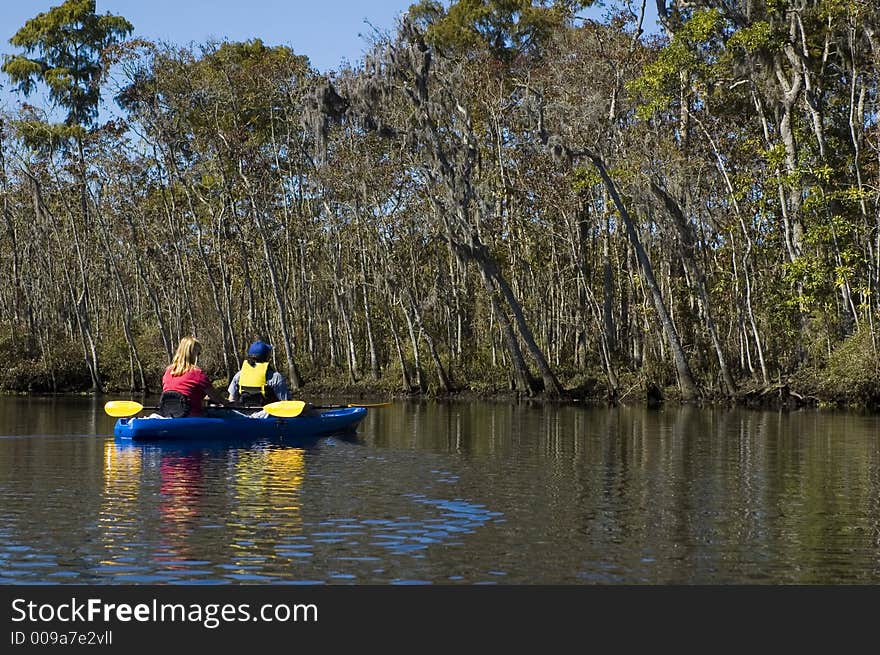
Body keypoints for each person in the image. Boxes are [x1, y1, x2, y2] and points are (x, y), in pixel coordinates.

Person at [159, 336, 229, 417]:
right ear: (192, 353)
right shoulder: (197, 373)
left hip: (169, 415)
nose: (198, 356)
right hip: (192, 416)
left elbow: (182, 390)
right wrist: (226, 402)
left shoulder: (168, 372)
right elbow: (216, 398)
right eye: (198, 353)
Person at [228, 340, 290, 412]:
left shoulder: (239, 375)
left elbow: (231, 400)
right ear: (267, 357)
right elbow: (286, 403)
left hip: (244, 416)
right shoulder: (275, 377)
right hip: (267, 418)